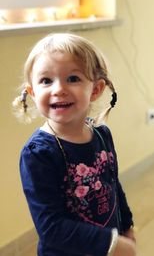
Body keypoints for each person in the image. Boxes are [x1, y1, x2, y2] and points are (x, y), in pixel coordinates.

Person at [13, 33, 137, 256]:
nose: (58, 89)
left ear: (96, 90)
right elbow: (51, 228)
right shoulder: (38, 154)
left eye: (73, 78)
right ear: (32, 93)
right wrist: (111, 243)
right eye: (46, 80)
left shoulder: (101, 135)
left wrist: (126, 225)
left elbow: (113, 184)